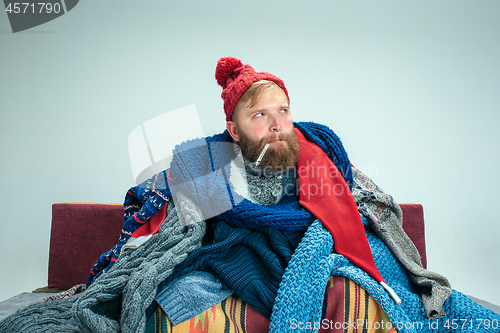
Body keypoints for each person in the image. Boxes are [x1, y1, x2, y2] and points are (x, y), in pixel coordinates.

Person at [1, 57, 499, 333]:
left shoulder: (318, 155)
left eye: (282, 111)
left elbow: (361, 209)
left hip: (314, 252)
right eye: (260, 115)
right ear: (234, 129)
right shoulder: (210, 161)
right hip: (241, 253)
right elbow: (174, 231)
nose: (278, 124)